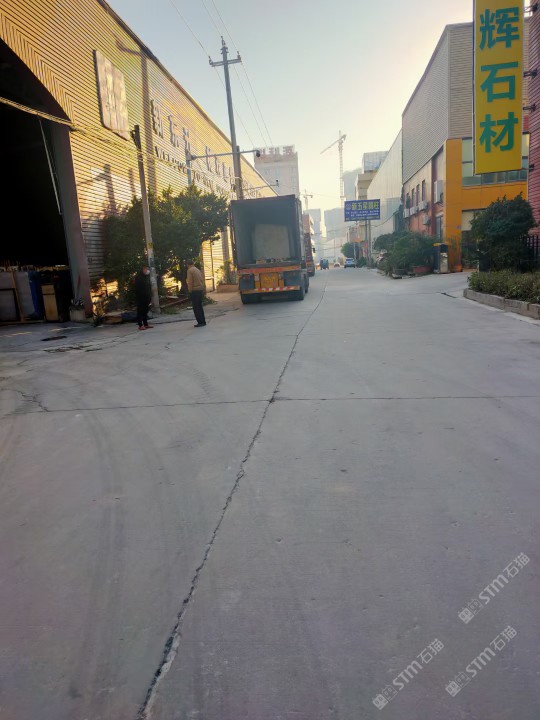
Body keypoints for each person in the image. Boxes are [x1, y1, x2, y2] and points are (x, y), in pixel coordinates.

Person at [186, 259, 206, 327]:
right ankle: (203, 321)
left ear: (187, 265)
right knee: (200, 306)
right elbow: (201, 279)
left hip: (194, 290)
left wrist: (190, 290)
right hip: (200, 289)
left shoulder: (190, 271)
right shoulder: (197, 269)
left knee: (196, 308)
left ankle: (200, 322)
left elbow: (190, 282)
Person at [134, 265, 153, 330]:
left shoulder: (146, 277)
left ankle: (146, 324)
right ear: (142, 270)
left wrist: (149, 296)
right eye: (145, 269)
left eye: (146, 269)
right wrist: (141, 296)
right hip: (140, 297)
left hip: (146, 297)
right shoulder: (138, 277)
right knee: (140, 311)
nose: (146, 270)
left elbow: (148, 287)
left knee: (145, 310)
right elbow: (138, 288)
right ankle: (140, 325)